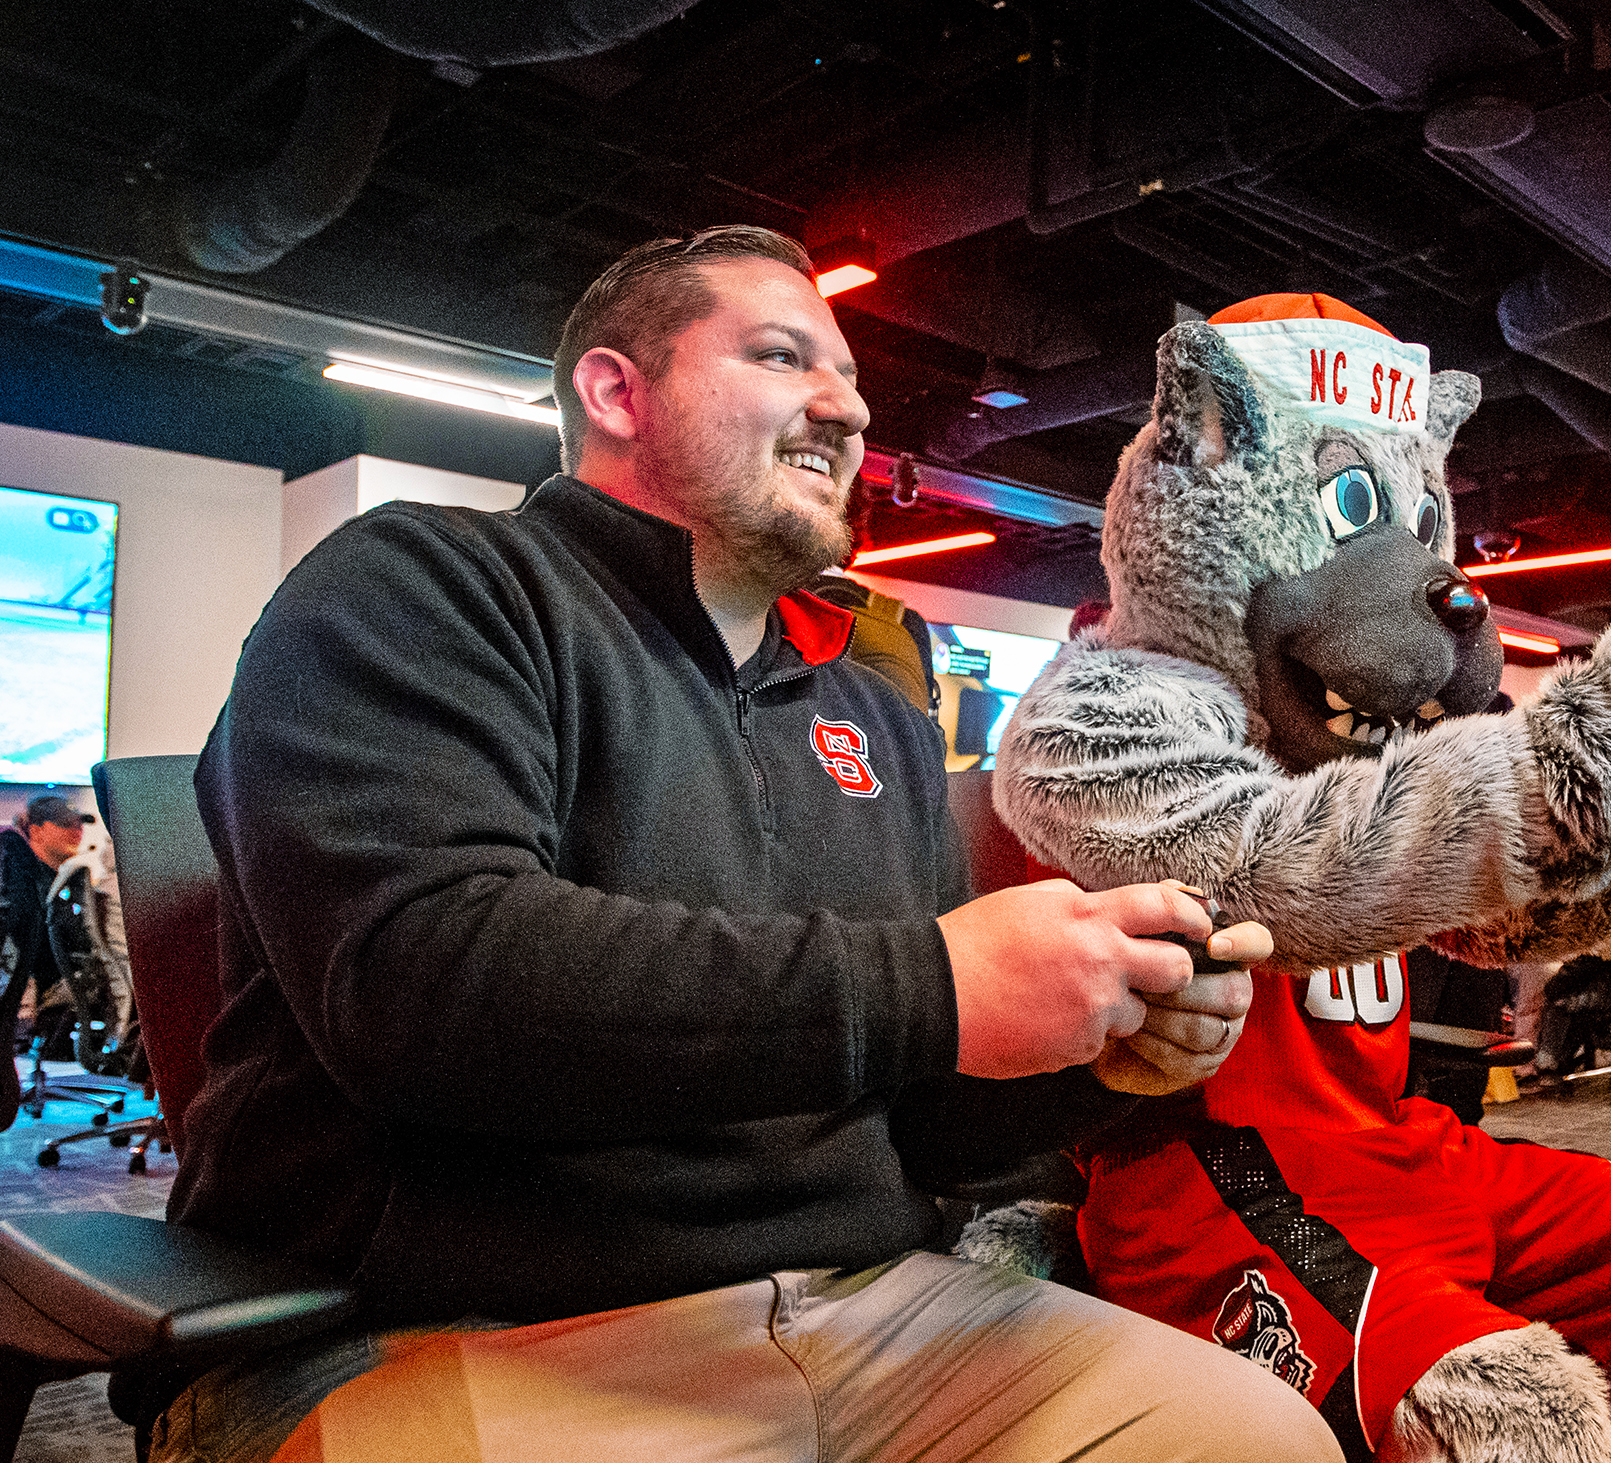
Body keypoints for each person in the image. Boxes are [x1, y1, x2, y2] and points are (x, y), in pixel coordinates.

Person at [158, 226, 1341, 1463]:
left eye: (851, 384)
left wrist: (1100, 1053)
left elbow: (921, 1118)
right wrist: (937, 980)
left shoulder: (871, 711)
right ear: (615, 390)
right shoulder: (424, 583)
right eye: (784, 358)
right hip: (463, 1325)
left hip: (873, 1310)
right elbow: (422, 983)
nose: (847, 408)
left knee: (1262, 1440)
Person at [0, 795, 90, 1128]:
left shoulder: (66, 879)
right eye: (66, 823)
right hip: (48, 985)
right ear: (36, 830)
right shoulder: (20, 878)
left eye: (80, 823)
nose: (77, 830)